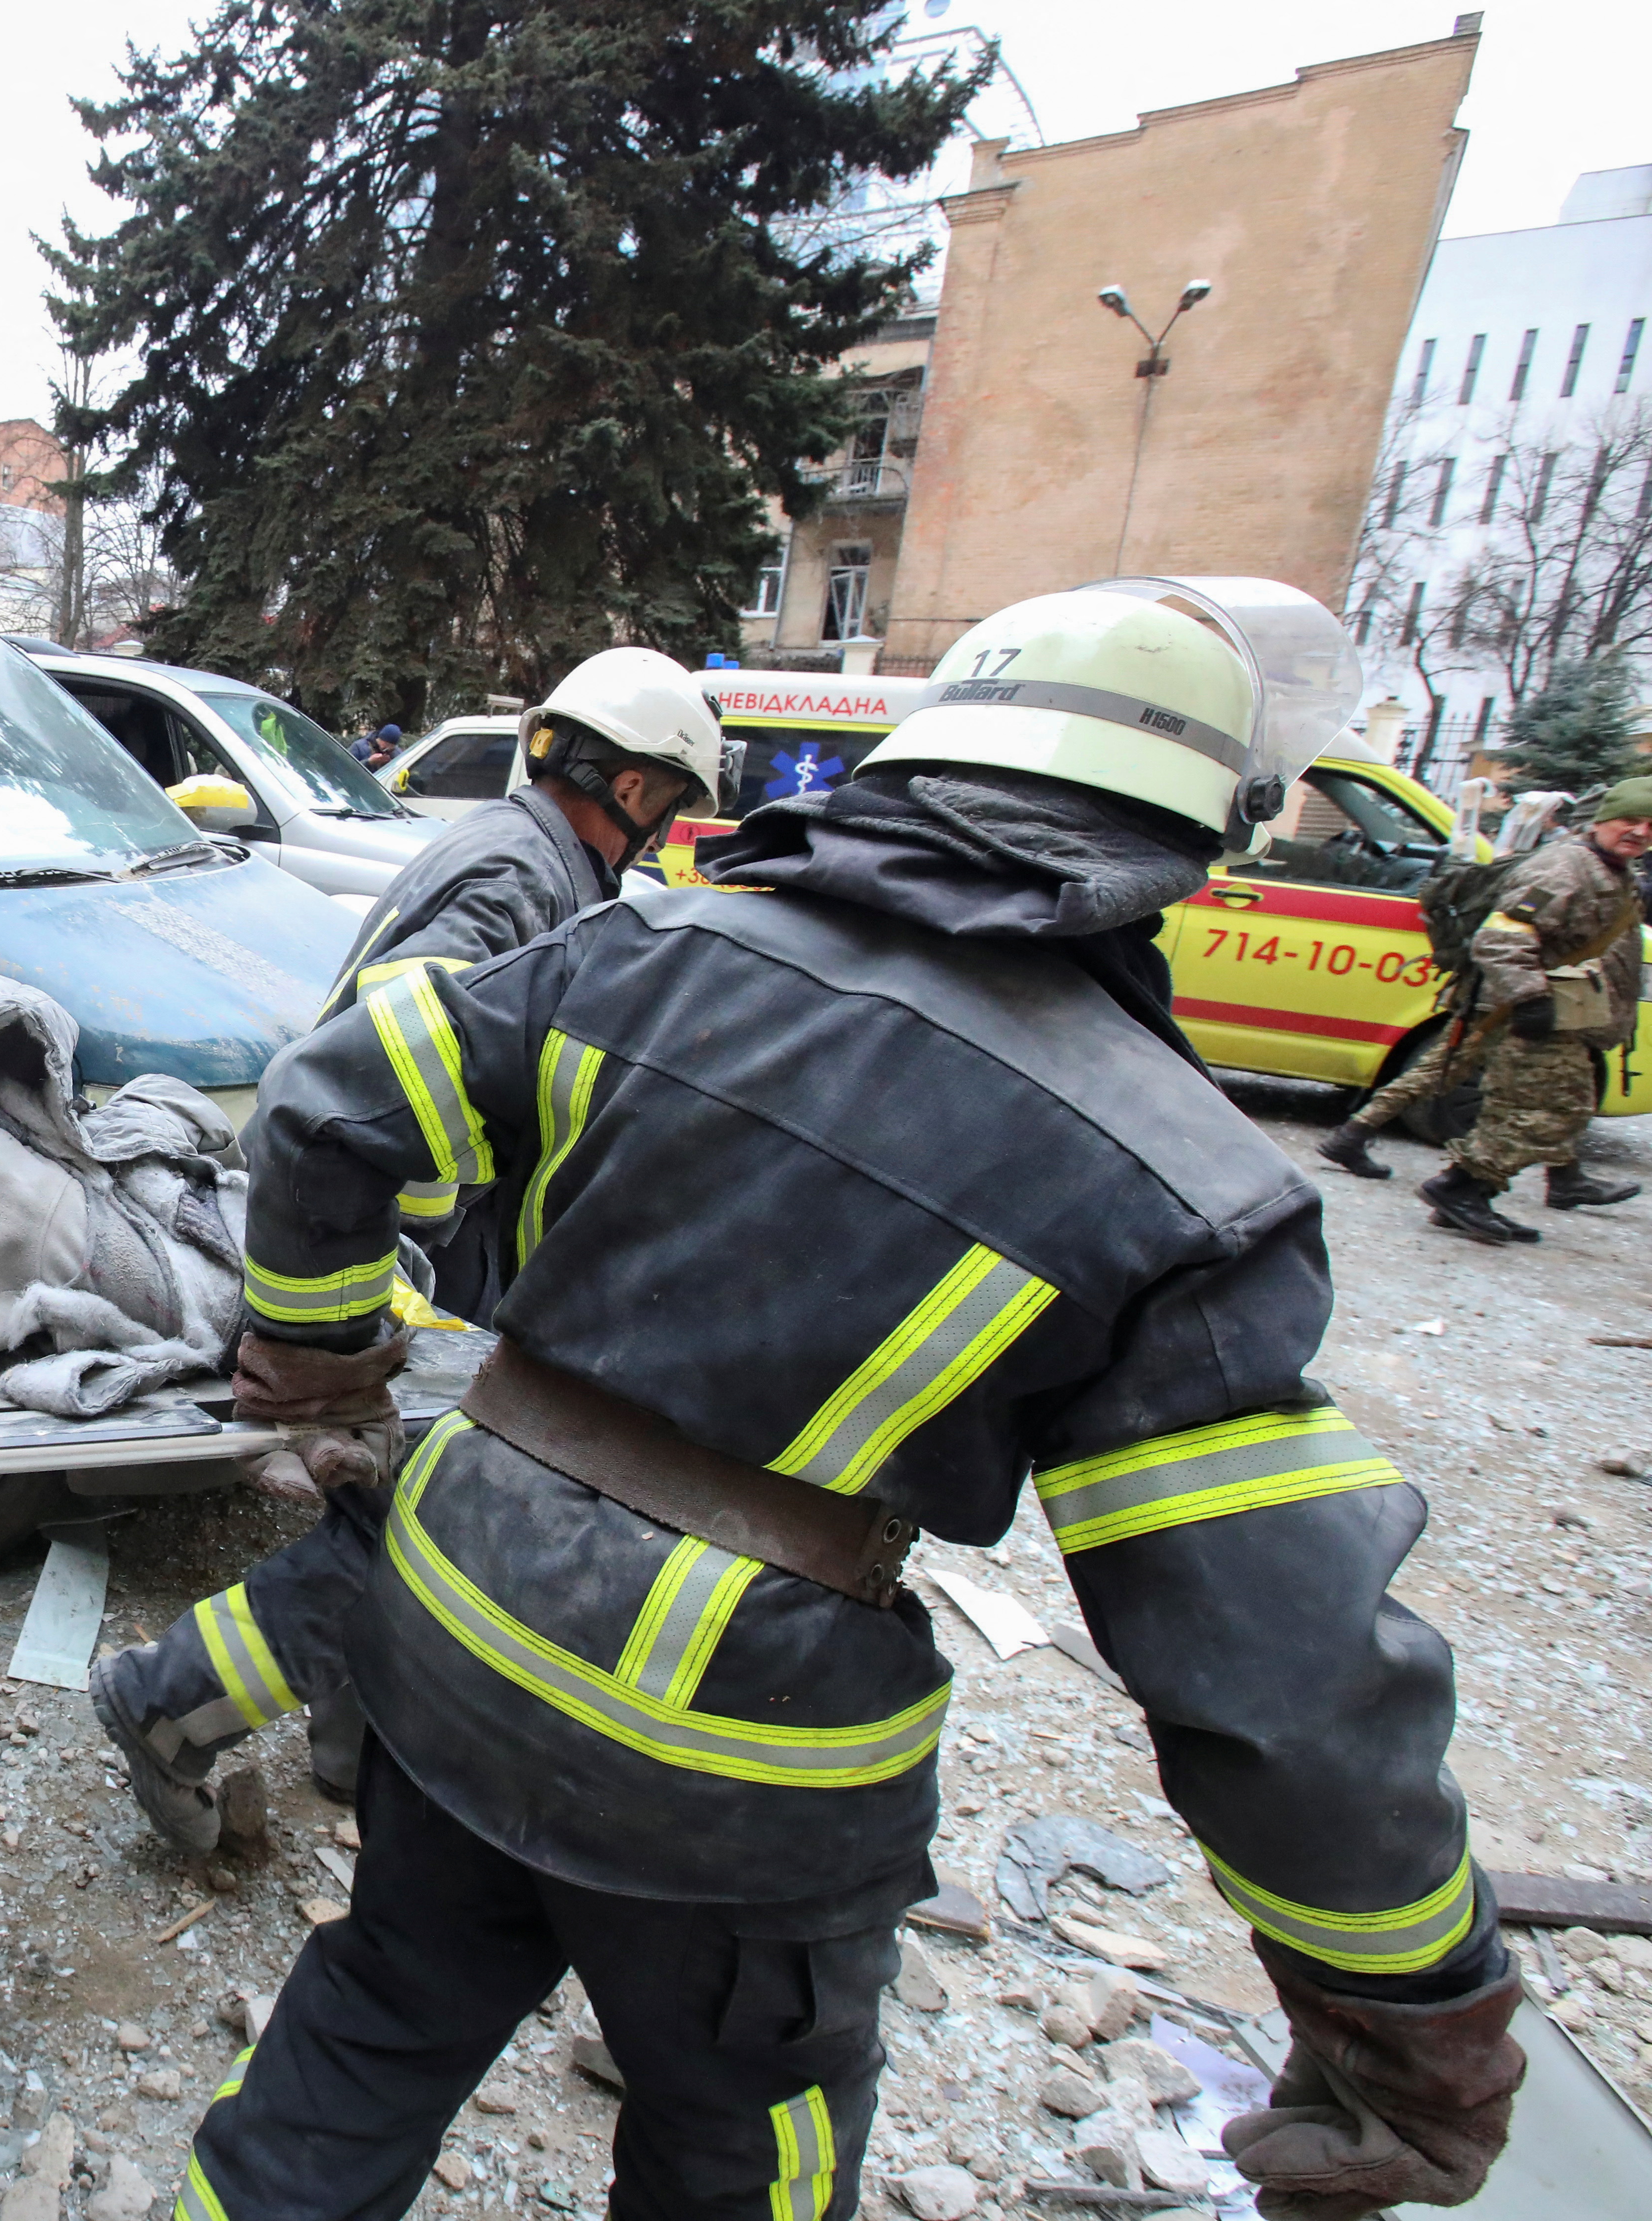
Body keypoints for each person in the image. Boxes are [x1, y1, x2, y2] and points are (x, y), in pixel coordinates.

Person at [175, 581, 1520, 2221]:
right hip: (737, 1766)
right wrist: (1415, 2018)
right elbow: (1286, 1677)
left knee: (376, 2018)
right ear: (1195, 839)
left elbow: (328, 1105)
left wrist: (319, 1358)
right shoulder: (1185, 1182)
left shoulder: (643, 946)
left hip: (456, 1627)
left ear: (928, 758)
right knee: (743, 2151)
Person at [90, 651, 725, 1846]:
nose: (669, 831)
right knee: (425, 1530)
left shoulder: (521, 852)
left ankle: (352, 1745)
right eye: (674, 804)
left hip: (406, 1254)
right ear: (637, 790)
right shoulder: (518, 881)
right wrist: (415, 1293)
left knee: (403, 1514)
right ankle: (167, 1702)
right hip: (409, 1265)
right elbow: (367, 1084)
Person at [1320, 780, 1652, 1237]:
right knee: (1546, 1107)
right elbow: (1504, 936)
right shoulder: (1562, 869)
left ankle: (1479, 1187)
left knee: (1547, 1101)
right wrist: (1529, 998)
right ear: (1601, 821)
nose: (1639, 832)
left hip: (1555, 1013)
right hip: (1530, 1012)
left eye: (1650, 826)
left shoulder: (1613, 870)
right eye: (1630, 820)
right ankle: (1462, 1189)